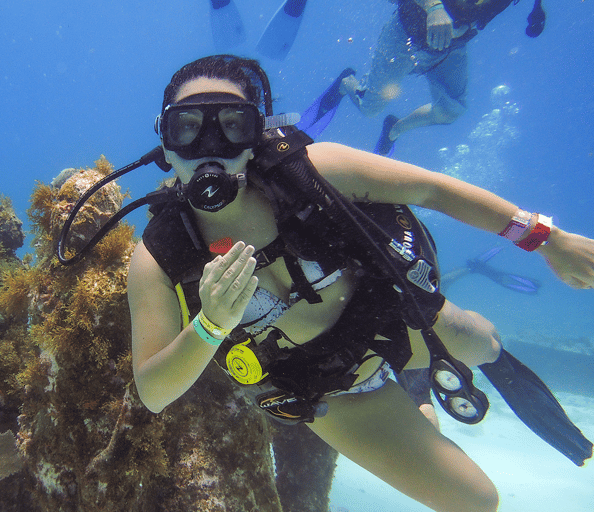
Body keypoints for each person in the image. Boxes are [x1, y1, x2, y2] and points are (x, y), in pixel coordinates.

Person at [125, 55, 593, 512]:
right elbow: (154, 391)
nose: (210, 145)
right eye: (187, 127)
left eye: (232, 124)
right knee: (476, 501)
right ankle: (417, 401)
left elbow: (434, 190)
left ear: (256, 136)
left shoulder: (314, 171)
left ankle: (432, 372)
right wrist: (211, 325)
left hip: (395, 319)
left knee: (485, 344)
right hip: (329, 385)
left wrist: (547, 239)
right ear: (165, 145)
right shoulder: (160, 256)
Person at [302, 0, 545, 155]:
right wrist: (434, 7)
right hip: (405, 34)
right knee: (370, 109)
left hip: (452, 46)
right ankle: (347, 83)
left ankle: (393, 130)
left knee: (452, 110)